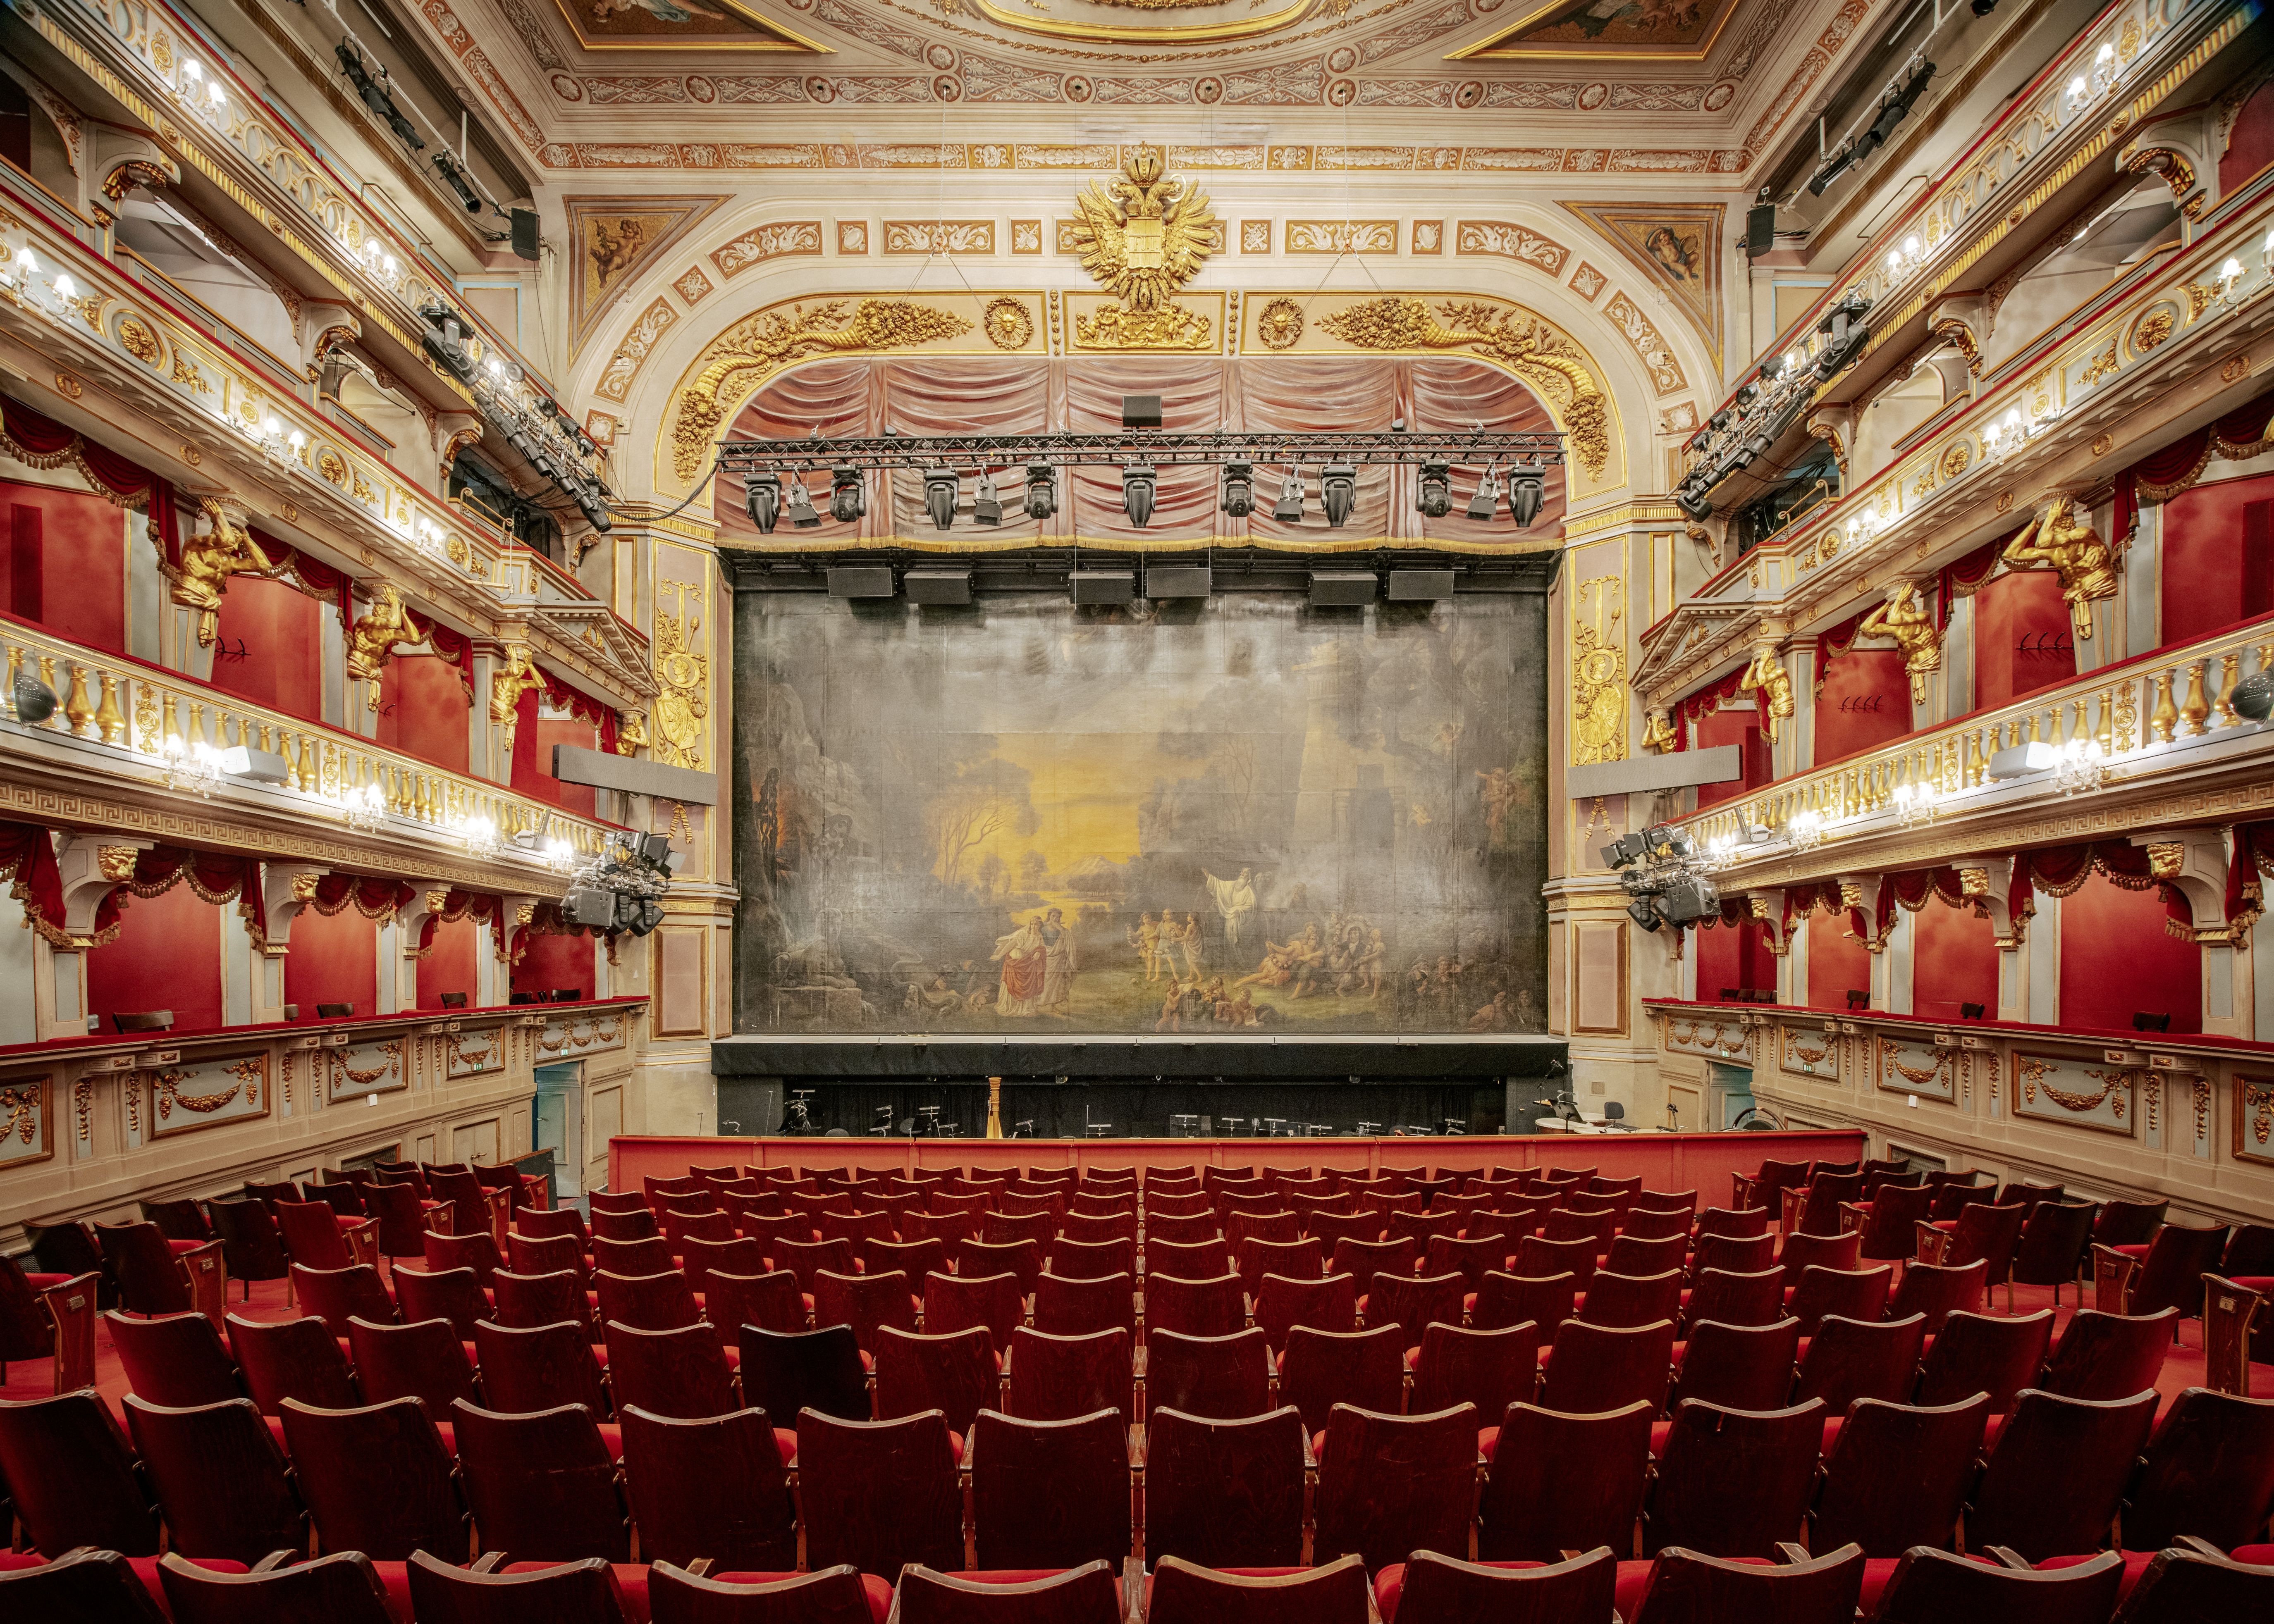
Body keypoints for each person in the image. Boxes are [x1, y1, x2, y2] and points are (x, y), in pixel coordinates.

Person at [992, 914, 1046, 1017]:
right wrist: (999, 956)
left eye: (1036, 924)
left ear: (1040, 925)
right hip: (1015, 963)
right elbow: (1010, 945)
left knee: (1030, 984)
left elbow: (1042, 948)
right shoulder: (1023, 934)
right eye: (1032, 924)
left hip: (1028, 964)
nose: (1034, 926)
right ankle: (1011, 1007)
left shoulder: (1039, 936)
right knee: (1013, 985)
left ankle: (1026, 1009)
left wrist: (1039, 952)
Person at [1203, 866, 1258, 949]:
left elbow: (1251, 905)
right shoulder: (1232, 884)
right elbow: (1220, 885)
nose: (1242, 874)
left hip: (1242, 919)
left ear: (1250, 876)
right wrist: (1209, 877)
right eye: (1242, 872)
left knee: (1240, 942)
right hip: (1231, 917)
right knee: (1229, 940)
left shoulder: (1249, 890)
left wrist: (1240, 911)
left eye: (1245, 873)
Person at [1039, 906, 1078, 1015]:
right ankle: (1036, 1005)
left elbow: (1069, 942)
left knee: (1057, 984)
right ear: (1049, 916)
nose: (1056, 919)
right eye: (1053, 916)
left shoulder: (1063, 930)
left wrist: (1060, 929)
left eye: (1058, 917)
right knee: (1042, 982)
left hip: (1059, 960)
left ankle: (1053, 1007)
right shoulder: (1042, 928)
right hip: (1046, 958)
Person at [1129, 911, 1164, 981]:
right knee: (1147, 959)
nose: (1148, 919)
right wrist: (1131, 931)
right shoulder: (1142, 928)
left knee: (1150, 957)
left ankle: (1149, 974)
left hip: (1154, 943)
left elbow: (1162, 924)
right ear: (1143, 920)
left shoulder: (1155, 924)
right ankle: (1149, 971)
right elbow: (1136, 935)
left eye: (1149, 918)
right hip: (1146, 944)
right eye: (1146, 918)